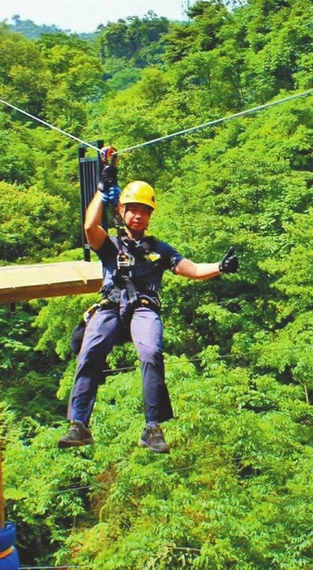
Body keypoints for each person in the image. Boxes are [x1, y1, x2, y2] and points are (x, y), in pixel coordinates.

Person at [58, 164, 238, 453]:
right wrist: (101, 192)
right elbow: (90, 227)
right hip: (110, 305)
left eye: (144, 211)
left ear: (150, 216)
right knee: (90, 350)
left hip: (143, 307)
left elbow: (191, 269)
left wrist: (220, 267)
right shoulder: (111, 245)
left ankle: (153, 428)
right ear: (122, 211)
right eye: (133, 210)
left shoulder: (160, 250)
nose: (138, 215)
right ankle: (78, 423)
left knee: (151, 352)